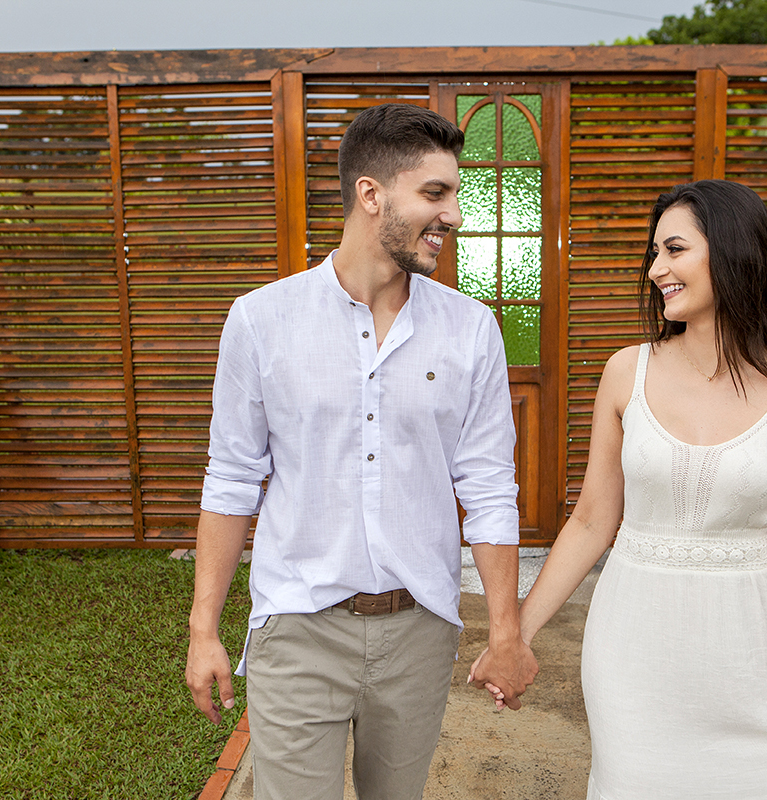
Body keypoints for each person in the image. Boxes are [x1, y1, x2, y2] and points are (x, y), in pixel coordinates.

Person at [185, 103, 538, 800]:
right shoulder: (261, 320)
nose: (454, 214)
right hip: (298, 627)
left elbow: (490, 487)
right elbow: (231, 479)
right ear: (370, 194)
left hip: (419, 631)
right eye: (435, 193)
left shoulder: (471, 330)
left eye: (456, 194)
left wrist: (506, 632)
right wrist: (204, 630)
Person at [493, 180, 767, 798]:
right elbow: (591, 521)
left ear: (732, 251)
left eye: (674, 250)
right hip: (632, 649)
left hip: (749, 656)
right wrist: (517, 635)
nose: (655, 270)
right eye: (654, 253)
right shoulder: (626, 372)